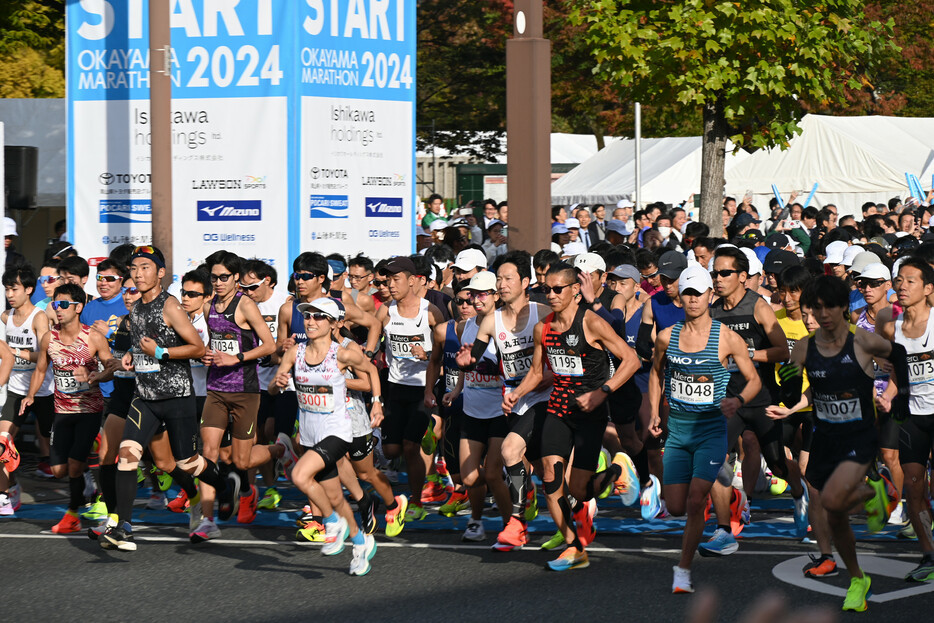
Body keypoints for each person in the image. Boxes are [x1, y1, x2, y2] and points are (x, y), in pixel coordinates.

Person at [768, 275, 906, 612]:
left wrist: (892, 394)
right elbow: (814, 388)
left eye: (830, 306)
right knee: (833, 513)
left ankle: (875, 490)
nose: (823, 313)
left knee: (831, 500)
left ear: (844, 308)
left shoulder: (862, 342)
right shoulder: (806, 346)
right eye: (816, 307)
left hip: (859, 434)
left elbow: (900, 356)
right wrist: (792, 405)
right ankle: (858, 578)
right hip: (825, 434)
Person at [503, 262, 641, 571]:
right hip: (557, 409)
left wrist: (603, 391)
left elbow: (631, 360)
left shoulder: (591, 323)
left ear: (575, 290)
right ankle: (573, 546)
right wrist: (518, 393)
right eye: (546, 289)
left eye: (557, 289)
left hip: (589, 411)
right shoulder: (544, 328)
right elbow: (538, 372)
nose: (550, 295)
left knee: (579, 490)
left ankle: (617, 469)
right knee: (551, 479)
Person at [102, 246, 234, 551]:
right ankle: (124, 528)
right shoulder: (134, 310)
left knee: (186, 463)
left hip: (176, 396)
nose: (138, 274)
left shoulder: (171, 306)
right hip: (144, 396)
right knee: (127, 455)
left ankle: (225, 487)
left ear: (161, 272)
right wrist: (131, 359)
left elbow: (199, 348)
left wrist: (161, 353)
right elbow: (142, 349)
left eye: (146, 267)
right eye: (134, 268)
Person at [648, 264, 759, 593]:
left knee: (696, 502)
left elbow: (753, 380)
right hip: (678, 430)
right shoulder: (666, 337)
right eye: (688, 293)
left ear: (710, 295)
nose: (693, 299)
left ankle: (682, 569)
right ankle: (732, 496)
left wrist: (737, 401)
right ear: (680, 298)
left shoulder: (727, 338)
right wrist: (654, 411)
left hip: (711, 428)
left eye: (699, 293)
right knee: (677, 505)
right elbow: (656, 374)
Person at [703, 246, 804, 557]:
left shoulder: (758, 306)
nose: (718, 279)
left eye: (724, 273)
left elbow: (782, 352)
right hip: (728, 400)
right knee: (713, 461)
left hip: (762, 399)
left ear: (743, 277)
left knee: (776, 462)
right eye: (714, 274)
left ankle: (801, 496)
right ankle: (723, 529)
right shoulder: (713, 310)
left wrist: (746, 354)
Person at [269, 297, 380, 576]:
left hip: (336, 431)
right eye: (307, 317)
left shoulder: (341, 354)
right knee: (336, 497)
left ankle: (331, 522)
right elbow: (273, 388)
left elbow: (372, 370)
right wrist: (278, 383)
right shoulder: (295, 351)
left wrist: (377, 401)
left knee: (299, 476)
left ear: (333, 324)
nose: (311, 321)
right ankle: (360, 542)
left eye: (319, 317)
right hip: (309, 434)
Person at [194, 252, 280, 540]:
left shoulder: (245, 305)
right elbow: (215, 343)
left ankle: (282, 450)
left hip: (245, 391)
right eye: (213, 277)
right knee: (208, 454)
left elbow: (269, 345)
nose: (217, 283)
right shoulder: (208, 307)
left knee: (242, 462)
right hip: (216, 390)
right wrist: (209, 355)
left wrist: (237, 358)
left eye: (223, 277)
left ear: (235, 278)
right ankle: (207, 520)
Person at [22, 283, 113, 533]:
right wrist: (30, 395)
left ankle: (72, 515)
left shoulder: (92, 337)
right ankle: (88, 484)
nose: (57, 309)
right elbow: (41, 369)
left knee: (73, 465)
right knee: (58, 470)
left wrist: (95, 376)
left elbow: (111, 365)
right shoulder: (49, 337)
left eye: (63, 304)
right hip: (61, 410)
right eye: (55, 304)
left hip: (89, 410)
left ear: (78, 307)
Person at [876, 257, 934, 582]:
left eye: (911, 280)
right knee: (913, 488)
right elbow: (899, 370)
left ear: (928, 289)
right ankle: (928, 555)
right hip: (913, 415)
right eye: (899, 280)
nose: (902, 285)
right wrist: (888, 392)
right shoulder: (892, 329)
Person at [375, 256, 446, 522]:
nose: (390, 285)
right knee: (391, 451)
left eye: (396, 279)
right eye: (387, 280)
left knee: (409, 447)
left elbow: (441, 354)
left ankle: (416, 501)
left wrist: (425, 353)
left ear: (412, 280)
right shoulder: (385, 310)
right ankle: (426, 435)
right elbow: (373, 342)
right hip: (395, 387)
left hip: (422, 388)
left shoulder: (430, 312)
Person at [1, 265, 55, 501]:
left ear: (29, 289)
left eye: (14, 289)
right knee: (3, 444)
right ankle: (9, 491)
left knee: (60, 453)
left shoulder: (39, 317)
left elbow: (47, 354)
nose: (9, 294)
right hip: (16, 389)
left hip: (43, 389)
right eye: (6, 289)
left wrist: (16, 353)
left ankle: (85, 482)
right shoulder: (6, 316)